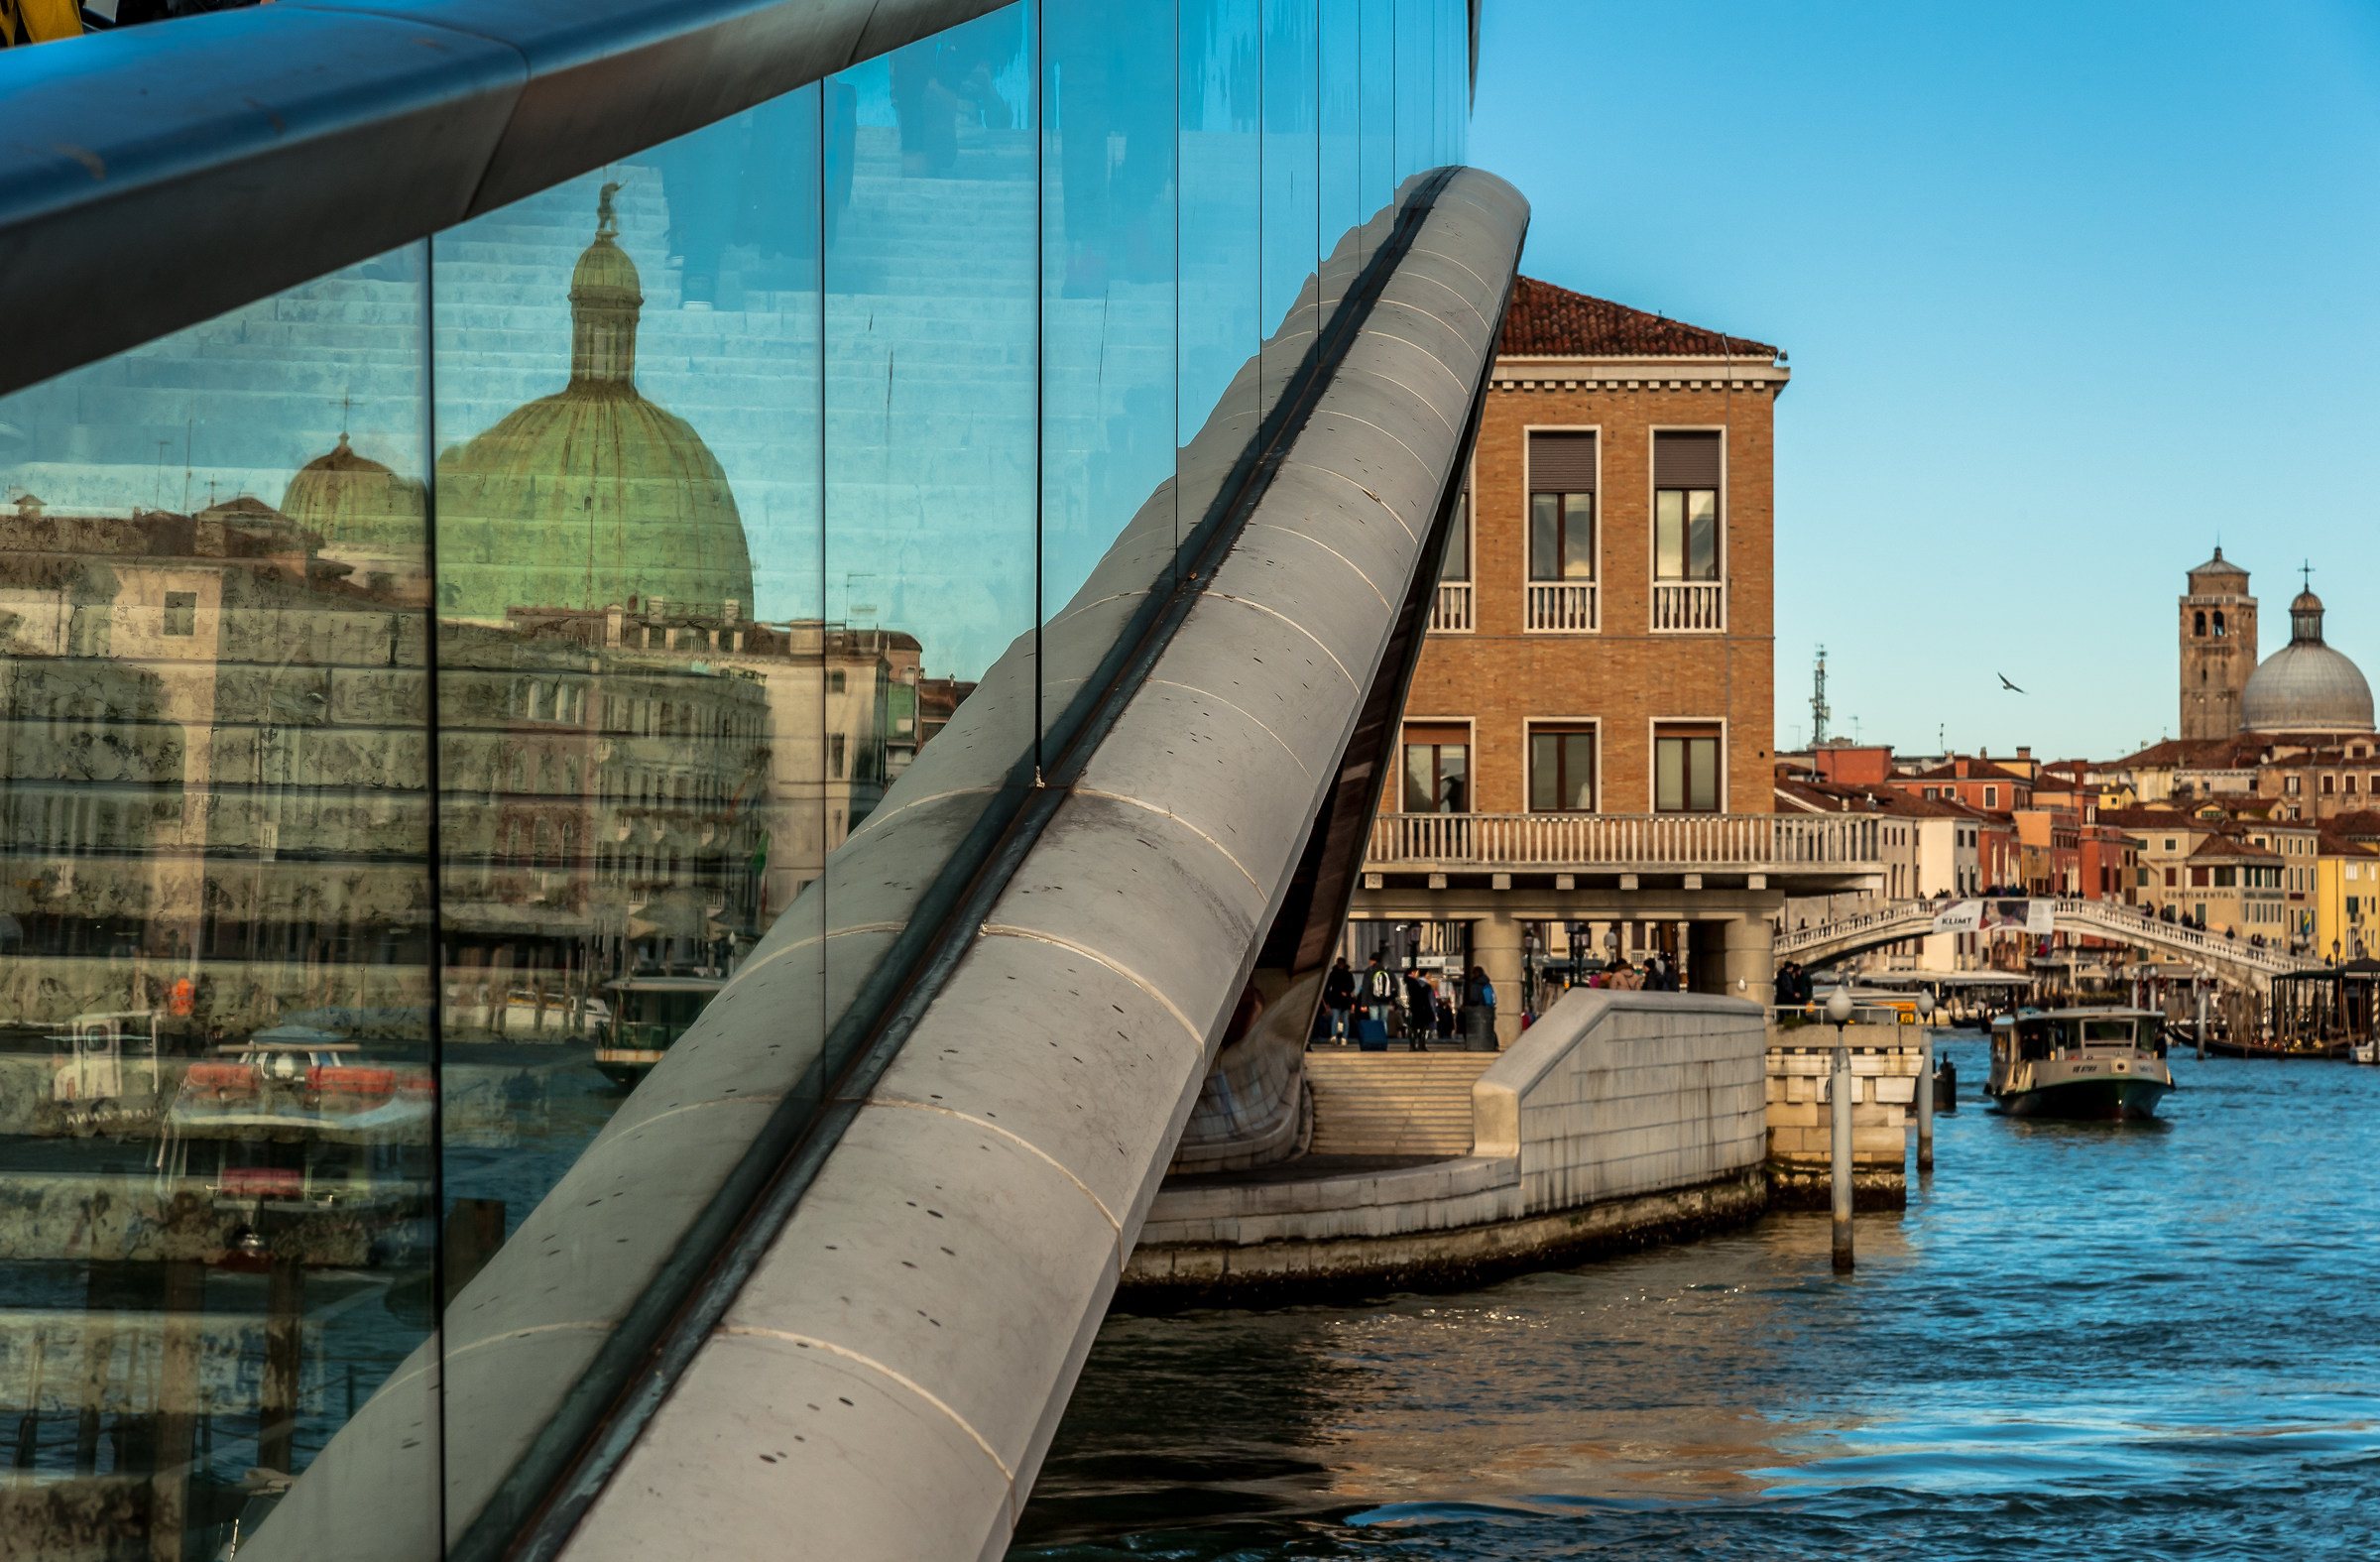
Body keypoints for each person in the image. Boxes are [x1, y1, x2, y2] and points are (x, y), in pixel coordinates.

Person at [1364, 952, 1398, 1041]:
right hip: (1385, 1000)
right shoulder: (1387, 970)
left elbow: (1365, 988)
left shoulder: (1369, 971)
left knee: (1374, 1021)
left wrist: (1363, 1004)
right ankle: (1383, 1038)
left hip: (1372, 1000)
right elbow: (1396, 986)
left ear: (1372, 961)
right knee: (1383, 1021)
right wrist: (1391, 999)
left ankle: (1375, 1038)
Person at [1323, 956, 1355, 1041]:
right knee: (1342, 1020)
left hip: (1337, 999)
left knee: (1337, 1019)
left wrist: (1327, 1000)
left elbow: (1327, 987)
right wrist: (1347, 992)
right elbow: (1352, 986)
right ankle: (1342, 1037)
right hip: (1343, 1000)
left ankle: (1335, 1036)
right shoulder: (1347, 974)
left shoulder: (1333, 974)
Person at [1403, 968, 1436, 1051]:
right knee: (1421, 1027)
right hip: (1420, 1008)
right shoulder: (1413, 982)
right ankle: (1419, 1045)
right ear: (1413, 972)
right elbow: (1420, 994)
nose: (1417, 974)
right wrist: (1427, 986)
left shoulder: (1411, 982)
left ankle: (1414, 1045)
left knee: (1416, 1027)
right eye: (1416, 972)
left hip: (1416, 1008)